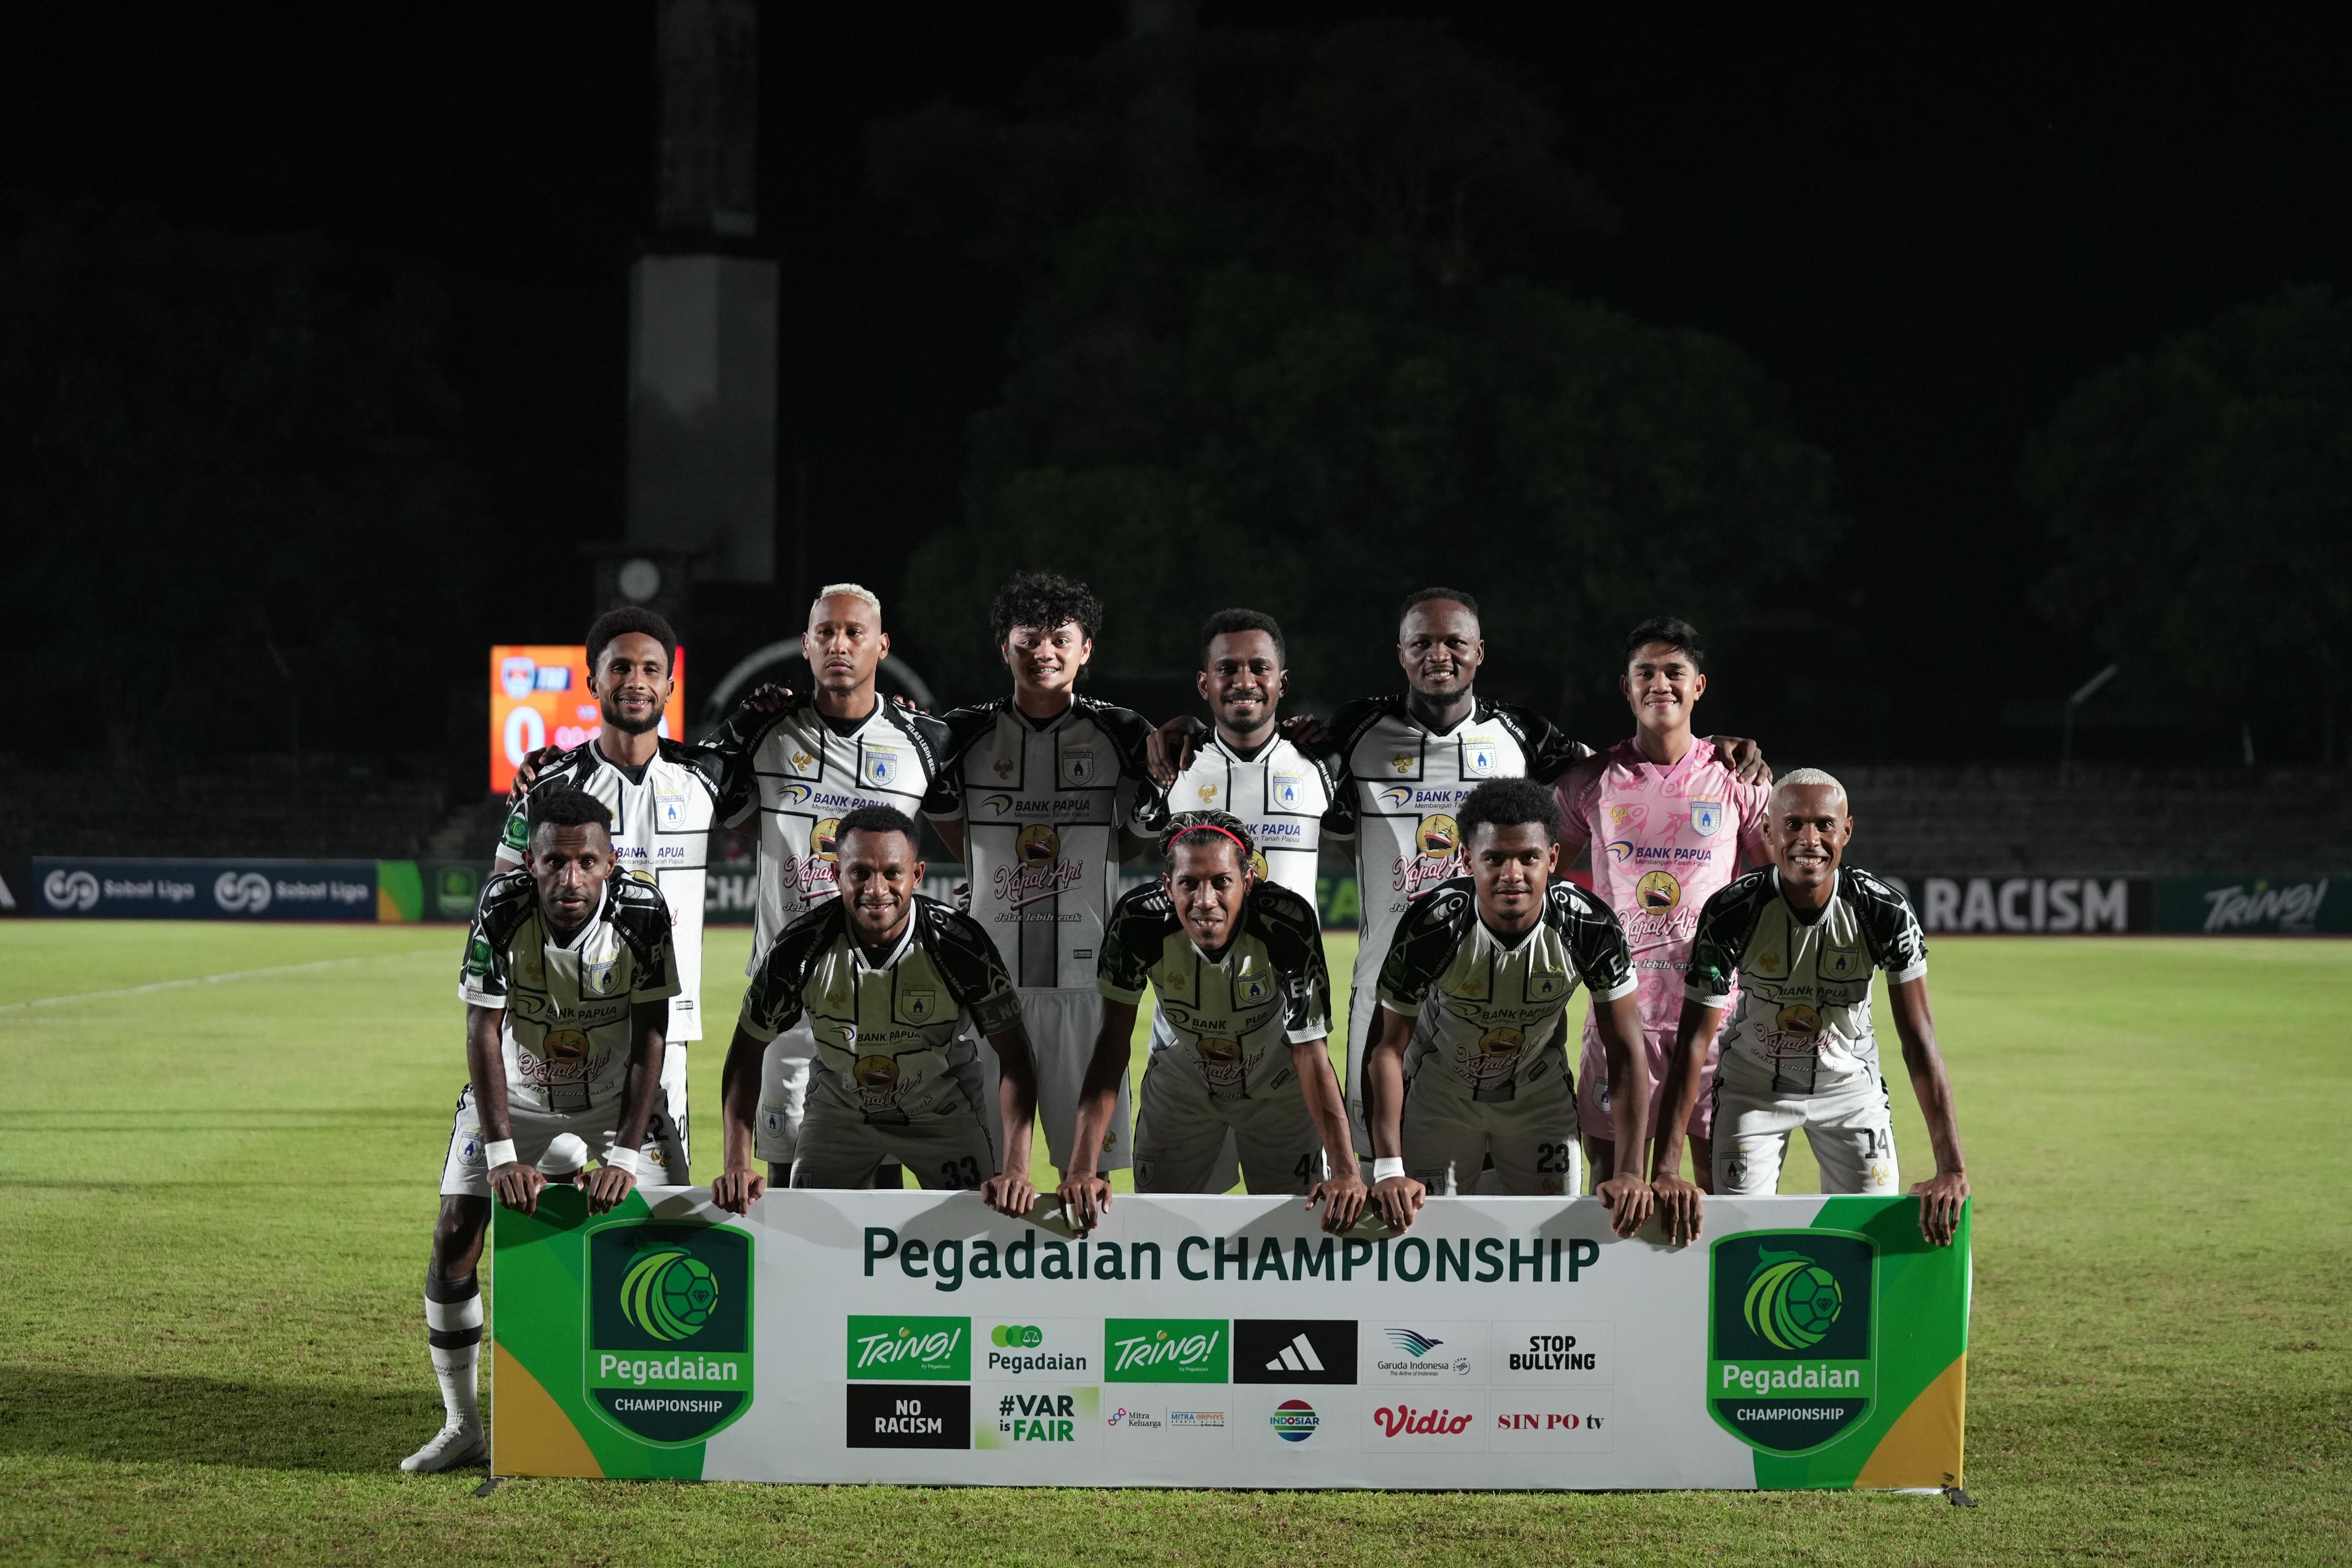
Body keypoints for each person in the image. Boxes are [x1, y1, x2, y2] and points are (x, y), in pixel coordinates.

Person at [1159, 587, 1764, 1171]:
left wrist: (1709, 748)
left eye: (1453, 642)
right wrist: (1186, 728)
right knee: (1379, 1168)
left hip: (1498, 989)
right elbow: (1262, 744)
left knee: (1502, 1167)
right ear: (1401, 654)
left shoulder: (1524, 734)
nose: (1438, 654)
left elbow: (1629, 765)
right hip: (1385, 985)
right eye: (1421, 643)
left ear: (1479, 651)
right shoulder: (1352, 731)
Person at [404, 787, 680, 1472]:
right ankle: (463, 1425)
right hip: (519, 1096)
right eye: (554, 860)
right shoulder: (502, 906)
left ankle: (648, 1417)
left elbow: (652, 1034)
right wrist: (501, 1154)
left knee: (667, 1236)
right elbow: (482, 1029)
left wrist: (624, 1151)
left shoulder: (643, 911)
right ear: (530, 861)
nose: (570, 877)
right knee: (455, 1232)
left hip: (615, 1098)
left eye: (586, 861)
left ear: (609, 862)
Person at [701, 584, 958, 1185]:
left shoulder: (925, 740)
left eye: (853, 632)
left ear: (881, 646)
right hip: (787, 992)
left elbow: (972, 838)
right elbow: (696, 780)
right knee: (784, 1174)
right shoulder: (767, 733)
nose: (838, 644)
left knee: (881, 1174)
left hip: (886, 992)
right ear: (806, 645)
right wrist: (741, 722)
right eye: (825, 632)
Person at [1648, 770, 1971, 1249]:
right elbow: (1694, 1041)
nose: (1809, 840)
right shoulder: (1732, 910)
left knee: (1866, 1240)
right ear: (1768, 831)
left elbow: (1919, 1040)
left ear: (1847, 831)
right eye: (1793, 824)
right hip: (1753, 1090)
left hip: (1850, 1092)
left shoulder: (1883, 910)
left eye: (1824, 825)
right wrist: (1667, 1169)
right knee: (1738, 1240)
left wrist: (1951, 1168)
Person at [929, 571, 1166, 1184]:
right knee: (983, 1173)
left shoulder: (1122, 731)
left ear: (1085, 650)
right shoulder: (960, 733)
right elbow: (951, 825)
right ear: (1003, 647)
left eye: (1060, 639)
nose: (1044, 652)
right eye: (1028, 639)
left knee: (1088, 1177)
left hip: (1086, 983)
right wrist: (989, 870)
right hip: (989, 980)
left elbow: (1136, 838)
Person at [1361, 779, 1654, 1240]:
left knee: (1551, 1243)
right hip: (1442, 1096)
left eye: (1528, 858)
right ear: (1467, 860)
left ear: (1552, 858)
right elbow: (1385, 1048)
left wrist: (1632, 1171)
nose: (1512, 874)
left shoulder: (1590, 925)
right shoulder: (1432, 924)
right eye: (1494, 859)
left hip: (1539, 1099)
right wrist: (1388, 1169)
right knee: (1428, 1241)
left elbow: (1626, 1048)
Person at [711, 806, 1040, 1212]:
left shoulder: (960, 944)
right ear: (837, 874)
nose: (876, 889)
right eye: (861, 873)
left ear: (917, 875)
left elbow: (1016, 1054)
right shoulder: (798, 949)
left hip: (941, 1113)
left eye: (892, 873)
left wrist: (1016, 1169)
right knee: (806, 1224)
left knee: (974, 1228)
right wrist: (737, 1164)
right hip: (840, 1115)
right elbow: (746, 1050)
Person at [1061, 811, 1365, 1232]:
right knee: (1162, 1231)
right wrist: (1083, 1168)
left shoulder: (1288, 922)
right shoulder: (1137, 922)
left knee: (1296, 1233)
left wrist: (1347, 1171)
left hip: (1277, 1089)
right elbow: (1112, 1044)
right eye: (1189, 883)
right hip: (1181, 1089)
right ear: (1167, 886)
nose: (1205, 900)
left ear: (1248, 882)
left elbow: (1311, 1052)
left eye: (1222, 882)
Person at [494, 608, 719, 1170]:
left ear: (670, 685)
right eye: (620, 667)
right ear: (593, 682)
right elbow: (503, 897)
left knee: (657, 1198)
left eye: (650, 669)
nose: (635, 681)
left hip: (662, 1024)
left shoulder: (705, 778)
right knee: (547, 1193)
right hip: (559, 1028)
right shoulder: (548, 785)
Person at [1554, 617, 1770, 1192]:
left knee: (1713, 1188)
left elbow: (1775, 892)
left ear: (1698, 685)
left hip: (1716, 1017)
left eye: (1674, 671)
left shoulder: (1738, 781)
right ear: (1625, 687)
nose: (1659, 684)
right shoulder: (1590, 781)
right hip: (1619, 1013)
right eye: (1644, 672)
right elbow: (1540, 874)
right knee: (1612, 1184)